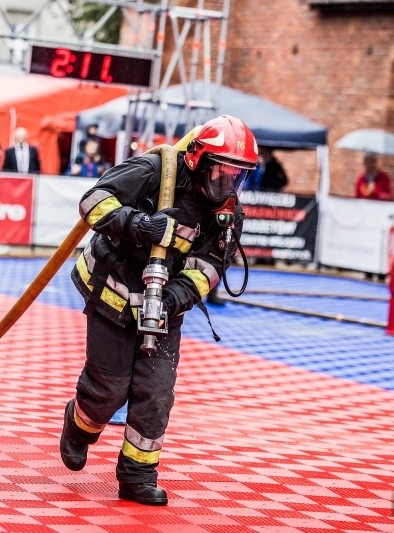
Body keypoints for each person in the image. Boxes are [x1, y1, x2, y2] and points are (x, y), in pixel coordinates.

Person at [61, 115, 257, 506]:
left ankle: (137, 476)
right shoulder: (155, 170)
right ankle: (79, 426)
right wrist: (139, 225)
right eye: (219, 171)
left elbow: (211, 267)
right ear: (196, 160)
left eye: (236, 175)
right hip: (112, 293)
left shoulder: (227, 212)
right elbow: (92, 203)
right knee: (108, 390)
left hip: (164, 308)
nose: (226, 183)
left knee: (155, 393)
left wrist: (175, 297)